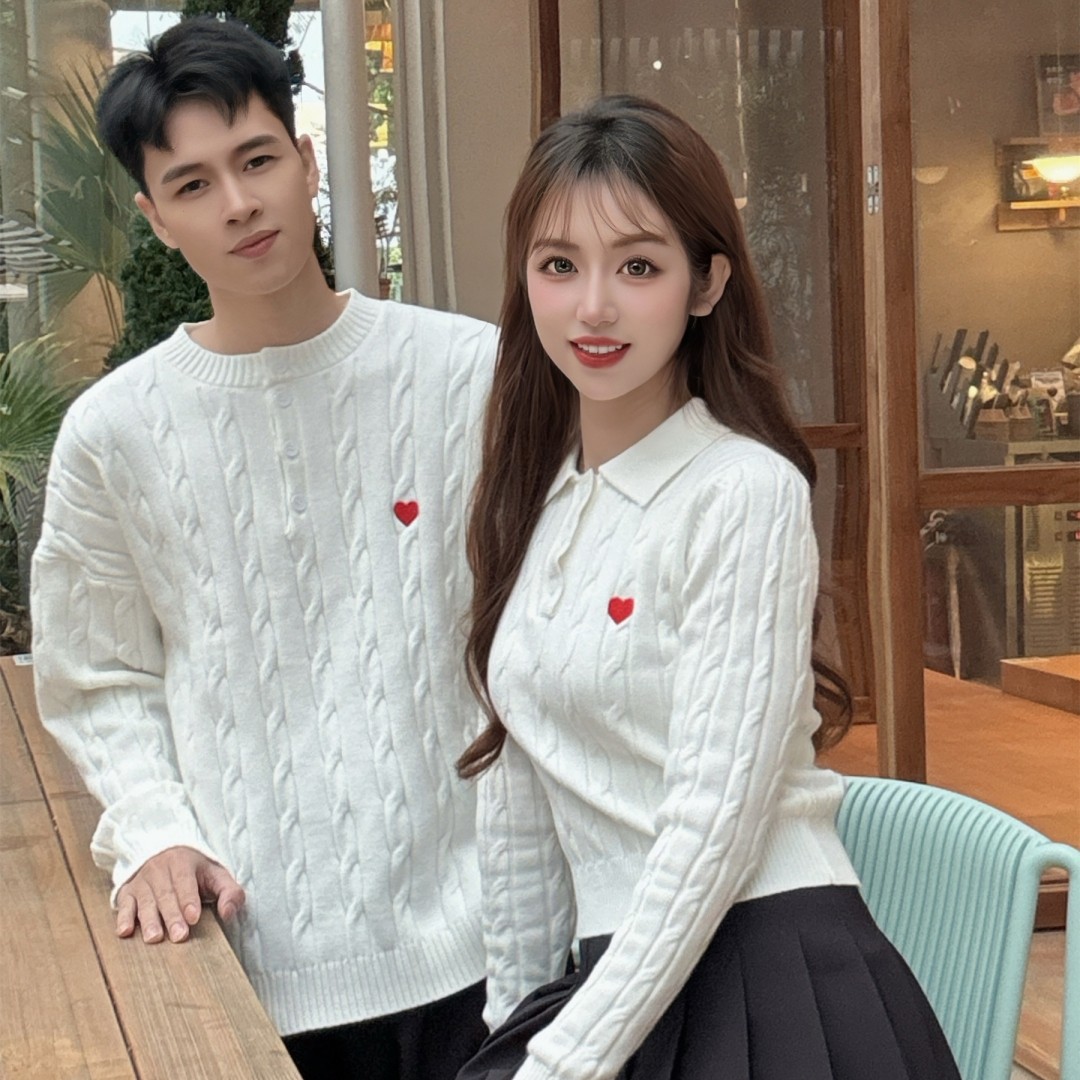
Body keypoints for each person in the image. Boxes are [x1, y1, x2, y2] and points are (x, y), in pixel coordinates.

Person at [454, 95, 961, 1080]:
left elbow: (712, 828)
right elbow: (520, 809)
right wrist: (516, 1022)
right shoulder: (540, 501)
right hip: (622, 980)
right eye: (559, 265)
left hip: (771, 971)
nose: (593, 307)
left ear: (706, 282)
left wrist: (561, 1062)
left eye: (638, 266)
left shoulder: (742, 491)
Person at [30, 17, 494, 1080]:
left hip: (488, 940)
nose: (238, 203)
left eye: (256, 160)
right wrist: (152, 829)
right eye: (192, 185)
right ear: (154, 219)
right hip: (250, 953)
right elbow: (96, 674)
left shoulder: (471, 374)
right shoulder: (115, 433)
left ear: (307, 162)